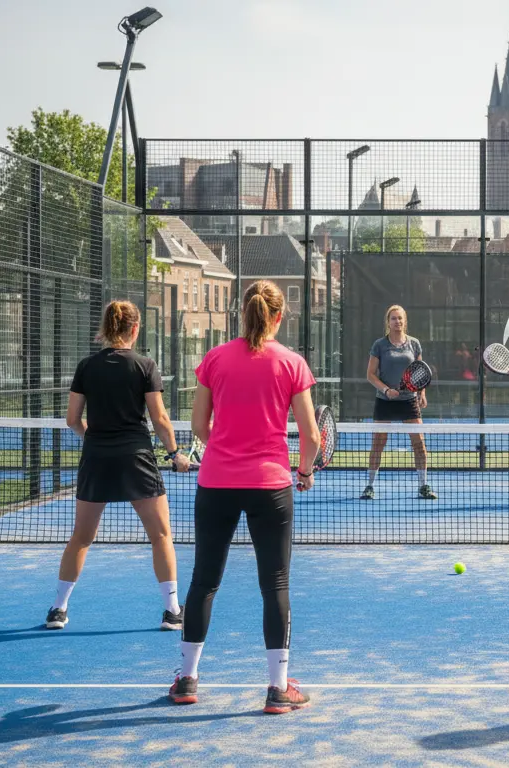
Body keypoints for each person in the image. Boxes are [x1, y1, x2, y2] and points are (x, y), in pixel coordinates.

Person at [169, 280, 321, 714]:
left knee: (203, 581)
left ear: (242, 313)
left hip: (216, 482)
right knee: (274, 583)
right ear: (279, 315)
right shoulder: (292, 363)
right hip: (270, 486)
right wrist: (304, 471)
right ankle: (277, 688)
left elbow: (199, 425)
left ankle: (187, 680)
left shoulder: (214, 360)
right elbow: (310, 435)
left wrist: (227, 445)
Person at [49, 300, 188, 632]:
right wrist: (175, 454)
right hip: (137, 458)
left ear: (107, 327)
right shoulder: (145, 366)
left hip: (96, 458)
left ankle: (58, 609)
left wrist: (94, 439)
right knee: (161, 536)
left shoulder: (86, 366)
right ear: (135, 329)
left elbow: (72, 420)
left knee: (81, 537)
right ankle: (172, 611)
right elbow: (161, 419)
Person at [362, 305, 435, 500]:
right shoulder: (379, 345)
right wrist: (386, 390)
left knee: (419, 444)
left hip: (408, 401)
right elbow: (370, 375)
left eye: (400, 318)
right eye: (393, 319)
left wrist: (422, 393)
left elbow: (420, 371)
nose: (397, 322)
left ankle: (423, 485)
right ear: (388, 322)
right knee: (378, 443)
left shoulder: (414, 344)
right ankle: (369, 486)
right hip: (385, 401)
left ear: (405, 321)